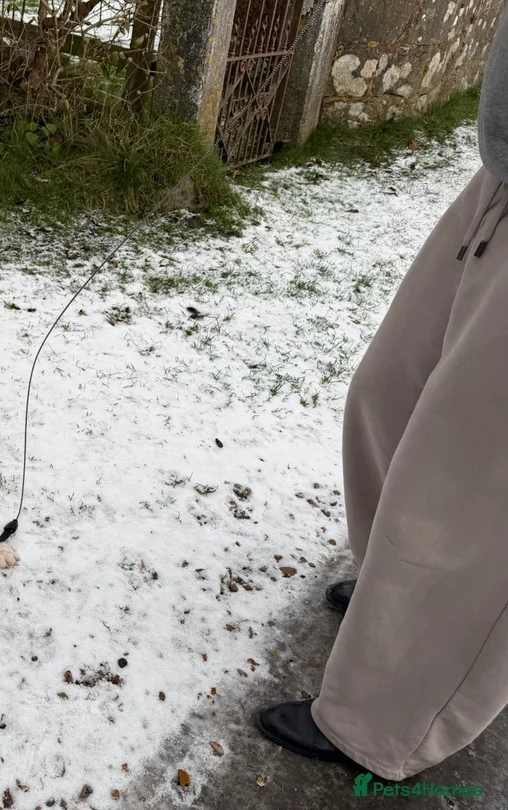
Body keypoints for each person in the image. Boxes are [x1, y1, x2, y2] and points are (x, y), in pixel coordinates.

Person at [256, 11, 508, 781]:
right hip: (498, 180)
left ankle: (382, 726)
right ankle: (393, 605)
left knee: (467, 496)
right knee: (387, 392)